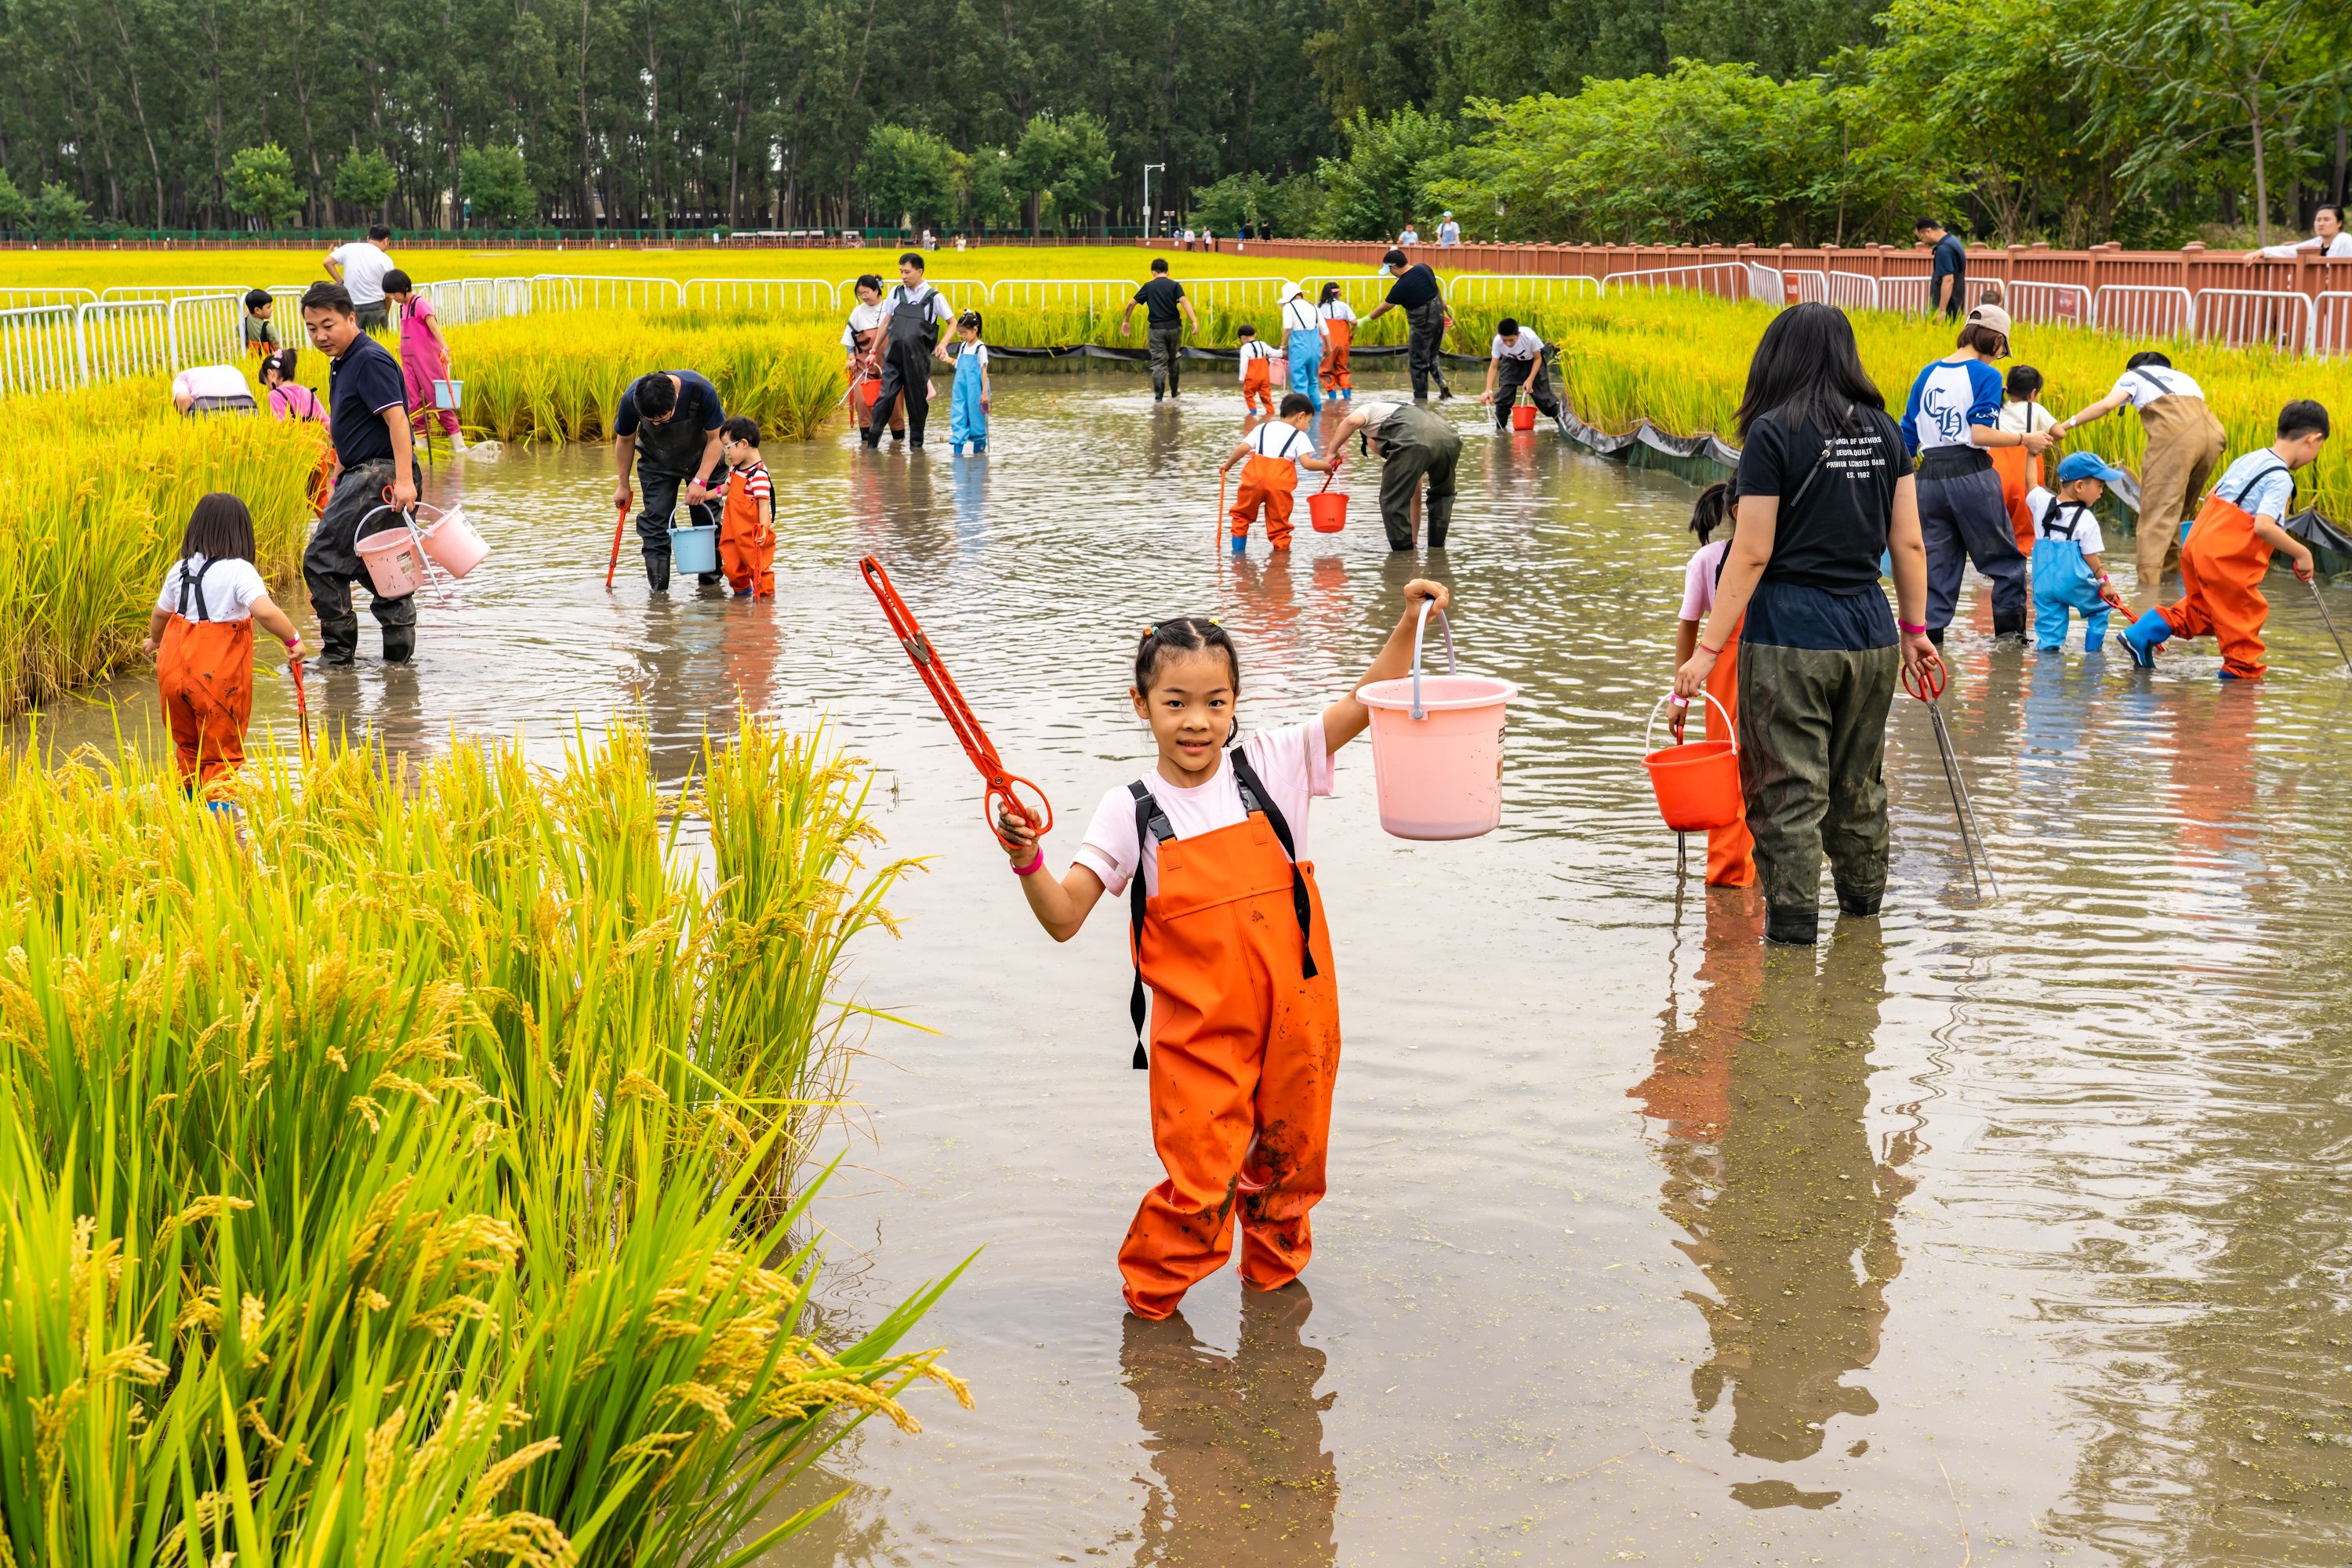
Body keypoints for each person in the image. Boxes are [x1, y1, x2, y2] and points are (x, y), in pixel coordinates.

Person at [993, 581, 1454, 1319]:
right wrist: (1026, 856)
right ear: (1141, 705)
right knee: (1199, 1188)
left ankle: (1274, 1317)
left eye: (1215, 701)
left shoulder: (1273, 766)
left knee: (1290, 1168)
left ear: (1236, 702)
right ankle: (1147, 1324)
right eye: (1175, 702)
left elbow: (1372, 699)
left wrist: (1407, 622)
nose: (1197, 722)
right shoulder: (1131, 810)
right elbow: (1063, 918)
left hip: (1299, 1018)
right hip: (1200, 1039)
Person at [1673, 301, 1933, 947]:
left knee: (1788, 794)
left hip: (1791, 633)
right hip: (1871, 633)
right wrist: (1916, 632)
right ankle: (1862, 938)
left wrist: (1707, 651)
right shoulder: (1886, 432)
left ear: (1776, 358)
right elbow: (1909, 545)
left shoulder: (1773, 432)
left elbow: (1753, 550)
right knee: (1858, 787)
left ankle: (1791, 954)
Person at [2117, 401, 2328, 679]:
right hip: (2224, 555)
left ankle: (2142, 634)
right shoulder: (2280, 477)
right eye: (2319, 448)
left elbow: (2215, 492)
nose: (2314, 456)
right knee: (2243, 616)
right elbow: (2264, 526)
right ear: (2312, 439)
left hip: (2198, 541)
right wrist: (2303, 553)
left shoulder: (2250, 458)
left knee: (2205, 609)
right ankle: (2238, 694)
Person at [143, 492, 306, 804]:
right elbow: (266, 611)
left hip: (171, 671)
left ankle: (187, 820)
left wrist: (155, 641)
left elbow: (161, 614)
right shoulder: (239, 571)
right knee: (220, 758)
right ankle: (222, 835)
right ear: (240, 532)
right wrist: (294, 640)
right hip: (215, 678)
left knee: (188, 749)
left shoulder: (180, 569)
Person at [1899, 300, 2043, 644]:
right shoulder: (1987, 375)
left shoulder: (1927, 373)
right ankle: (2009, 653)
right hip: (1971, 475)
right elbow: (1979, 434)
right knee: (2007, 563)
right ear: (1995, 341)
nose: (1998, 358)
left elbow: (1907, 434)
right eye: (2002, 350)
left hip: (1928, 479)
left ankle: (1929, 649)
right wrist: (2026, 438)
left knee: (1937, 567)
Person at [299, 281, 419, 664]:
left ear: (351, 318)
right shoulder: (344, 362)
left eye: (328, 325)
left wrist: (403, 481)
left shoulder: (368, 359)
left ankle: (337, 659)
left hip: (379, 476)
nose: (320, 336)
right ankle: (399, 667)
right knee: (382, 569)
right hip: (363, 474)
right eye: (312, 328)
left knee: (320, 561)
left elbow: (397, 420)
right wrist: (336, 481)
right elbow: (348, 427)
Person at [2048, 350, 2227, 593]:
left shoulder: (2134, 376)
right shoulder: (2185, 379)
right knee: (2175, 513)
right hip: (2214, 437)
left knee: (2154, 516)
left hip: (2178, 440)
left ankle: (2147, 596)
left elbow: (2107, 404)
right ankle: (2170, 589)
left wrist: (2066, 424)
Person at [1671, 480, 1754, 888]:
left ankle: (1753, 878)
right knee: (1730, 775)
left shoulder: (1782, 556)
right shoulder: (1708, 561)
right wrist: (1678, 698)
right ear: (1740, 512)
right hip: (1724, 674)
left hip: (1773, 663)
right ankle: (1728, 887)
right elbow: (1688, 631)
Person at [613, 368, 727, 590]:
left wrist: (700, 481)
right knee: (655, 523)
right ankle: (659, 598)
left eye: (662, 419)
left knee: (707, 523)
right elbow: (625, 440)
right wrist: (623, 485)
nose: (656, 425)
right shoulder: (631, 399)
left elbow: (717, 438)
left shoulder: (701, 390)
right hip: (657, 464)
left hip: (703, 460)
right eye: (650, 421)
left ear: (675, 399)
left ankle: (711, 592)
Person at [2026, 452, 2130, 653]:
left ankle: (2047, 674)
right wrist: (2105, 583)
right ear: (2080, 486)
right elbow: (2091, 558)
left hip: (2043, 583)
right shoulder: (2086, 519)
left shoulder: (2041, 502)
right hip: (2071, 582)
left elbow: (2031, 484)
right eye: (2100, 486)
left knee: (2049, 632)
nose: (2101, 492)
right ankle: (2093, 659)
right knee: (2101, 608)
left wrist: (2031, 453)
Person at [1328, 399, 1461, 550]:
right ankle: (1436, 550)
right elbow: (1414, 498)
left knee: (1392, 501)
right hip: (1448, 437)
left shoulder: (1369, 410)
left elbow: (1352, 421)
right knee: (1442, 496)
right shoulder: (1407, 413)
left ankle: (1403, 558)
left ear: (1370, 439)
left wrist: (1332, 451)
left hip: (1415, 441)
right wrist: (1414, 542)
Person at [1219, 392, 1338, 554]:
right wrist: (1326, 467)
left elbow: (1243, 448)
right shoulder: (1299, 436)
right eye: (1309, 422)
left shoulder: (1262, 428)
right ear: (1300, 416)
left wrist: (1228, 464)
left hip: (1253, 479)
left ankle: (1238, 559)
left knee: (1241, 516)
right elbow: (1307, 463)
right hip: (1279, 484)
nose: (1308, 427)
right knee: (1279, 526)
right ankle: (1279, 568)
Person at [862, 252, 955, 448]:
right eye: (901, 272)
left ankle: (916, 448)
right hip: (894, 358)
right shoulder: (895, 293)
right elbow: (886, 323)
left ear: (919, 271)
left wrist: (943, 343)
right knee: (884, 399)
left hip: (917, 361)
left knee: (916, 405)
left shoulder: (934, 297)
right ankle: (871, 447)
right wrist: (873, 351)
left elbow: (952, 323)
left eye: (907, 272)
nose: (903, 276)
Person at [380, 270, 463, 452]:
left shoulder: (420, 303)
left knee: (437, 399)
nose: (392, 297)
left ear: (403, 288)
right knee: (414, 401)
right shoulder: (403, 307)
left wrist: (445, 349)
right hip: (409, 362)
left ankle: (458, 444)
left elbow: (434, 327)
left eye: (394, 293)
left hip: (427, 361)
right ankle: (422, 441)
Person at [1359, 249, 1452, 401]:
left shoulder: (1401, 285)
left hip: (1422, 325)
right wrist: (1443, 303)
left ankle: (1420, 401)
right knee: (1432, 356)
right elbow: (1436, 287)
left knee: (1418, 362)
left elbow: (1385, 306)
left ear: (1394, 267)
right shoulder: (1424, 268)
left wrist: (1365, 320)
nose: (1390, 273)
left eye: (1389, 270)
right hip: (1438, 320)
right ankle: (1443, 386)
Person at [1993, 363, 2056, 555]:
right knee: (2025, 527)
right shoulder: (2034, 409)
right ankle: (2022, 562)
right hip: (2025, 479)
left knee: (1995, 523)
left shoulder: (1995, 408)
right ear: (2033, 393)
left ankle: (1994, 561)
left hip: (1996, 476)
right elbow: (2059, 432)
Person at [1122, 258, 1201, 402]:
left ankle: (1158, 399)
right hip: (1175, 328)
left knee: (1159, 363)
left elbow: (1131, 303)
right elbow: (1184, 301)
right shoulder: (1175, 285)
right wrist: (1194, 320)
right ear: (1168, 272)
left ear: (1153, 272)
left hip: (1156, 330)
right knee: (1173, 358)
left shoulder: (1148, 286)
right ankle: (1175, 394)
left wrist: (1126, 321)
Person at [716, 415, 775, 599]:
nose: (726, 453)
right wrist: (706, 494)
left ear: (743, 443)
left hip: (752, 535)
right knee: (733, 567)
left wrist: (764, 530)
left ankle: (764, 607)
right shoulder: (736, 469)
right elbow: (726, 488)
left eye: (727, 447)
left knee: (758, 569)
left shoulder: (758, 474)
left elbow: (764, 506)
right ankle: (741, 604)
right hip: (732, 531)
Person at [841, 274, 906, 443]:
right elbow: (849, 338)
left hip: (891, 364)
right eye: (860, 294)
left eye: (866, 293)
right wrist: (850, 357)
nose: (864, 297)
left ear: (877, 290)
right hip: (865, 365)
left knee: (895, 403)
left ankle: (898, 442)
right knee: (863, 401)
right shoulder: (858, 312)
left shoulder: (890, 309)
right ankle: (867, 443)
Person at [1479, 317, 1561, 429]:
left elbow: (1538, 359)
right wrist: (1488, 390)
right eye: (1505, 340)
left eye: (1511, 340)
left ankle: (1563, 426)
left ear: (1518, 335)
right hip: (1511, 362)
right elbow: (1493, 366)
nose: (1508, 343)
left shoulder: (1530, 338)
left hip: (1532, 362)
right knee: (1503, 399)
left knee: (1545, 400)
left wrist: (1530, 379)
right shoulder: (1498, 342)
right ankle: (1500, 433)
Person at [323, 224, 396, 332]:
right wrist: (385, 311)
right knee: (377, 345)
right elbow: (389, 295)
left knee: (354, 344)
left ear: (368, 238)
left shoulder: (349, 248)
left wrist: (342, 283)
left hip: (352, 307)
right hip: (376, 307)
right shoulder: (386, 260)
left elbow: (327, 262)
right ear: (386, 241)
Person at [948, 309, 990, 455]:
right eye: (960, 333)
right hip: (960, 389)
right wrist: (947, 359)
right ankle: (957, 456)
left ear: (975, 329)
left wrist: (984, 393)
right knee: (958, 417)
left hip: (975, 390)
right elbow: (960, 364)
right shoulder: (963, 346)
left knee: (976, 420)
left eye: (965, 333)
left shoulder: (980, 348)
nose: (962, 336)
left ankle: (979, 459)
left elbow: (984, 371)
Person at [1276, 283, 1323, 413]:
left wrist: (1283, 346)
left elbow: (1287, 328)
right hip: (1316, 346)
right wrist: (1329, 347)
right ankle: (1317, 412)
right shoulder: (1313, 306)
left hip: (1299, 348)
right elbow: (1324, 329)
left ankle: (1304, 413)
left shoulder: (1289, 307)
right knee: (1313, 381)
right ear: (1300, 294)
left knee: (1299, 382)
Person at [2247, 203, 2352, 260]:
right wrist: (2263, 252)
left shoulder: (2346, 241)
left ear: (2339, 223)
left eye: (2326, 220)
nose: (2321, 224)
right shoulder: (2316, 242)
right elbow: (2291, 251)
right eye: (2318, 220)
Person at [1915, 218, 1966, 321]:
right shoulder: (1953, 240)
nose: (1922, 242)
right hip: (1957, 300)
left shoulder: (1944, 249)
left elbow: (1948, 280)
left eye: (1921, 237)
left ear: (1928, 231)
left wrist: (1942, 310)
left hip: (1948, 306)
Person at [1316, 283, 1357, 402]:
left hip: (1327, 344)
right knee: (1342, 368)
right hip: (1343, 343)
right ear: (1338, 293)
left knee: (1326, 370)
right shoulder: (1344, 306)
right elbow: (1354, 322)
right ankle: (1347, 398)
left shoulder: (1320, 308)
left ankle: (1332, 400)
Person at [170, 364, 256, 416]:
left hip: (209, 413)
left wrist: (190, 421)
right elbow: (248, 395)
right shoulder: (233, 369)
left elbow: (183, 399)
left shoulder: (182, 377)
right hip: (249, 409)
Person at [1236, 325, 1276, 416]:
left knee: (1249, 395)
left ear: (1243, 337)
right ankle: (1270, 413)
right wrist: (1283, 352)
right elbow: (1273, 352)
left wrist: (1242, 378)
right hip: (1265, 375)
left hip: (1252, 376)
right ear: (1255, 334)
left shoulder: (1245, 348)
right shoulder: (1263, 344)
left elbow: (1244, 364)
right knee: (1266, 396)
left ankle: (1253, 414)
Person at [242, 289, 278, 363]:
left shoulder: (245, 323)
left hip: (251, 363)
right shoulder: (268, 328)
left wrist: (247, 315)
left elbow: (239, 329)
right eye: (269, 307)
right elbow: (279, 351)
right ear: (257, 310)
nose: (272, 309)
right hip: (268, 364)